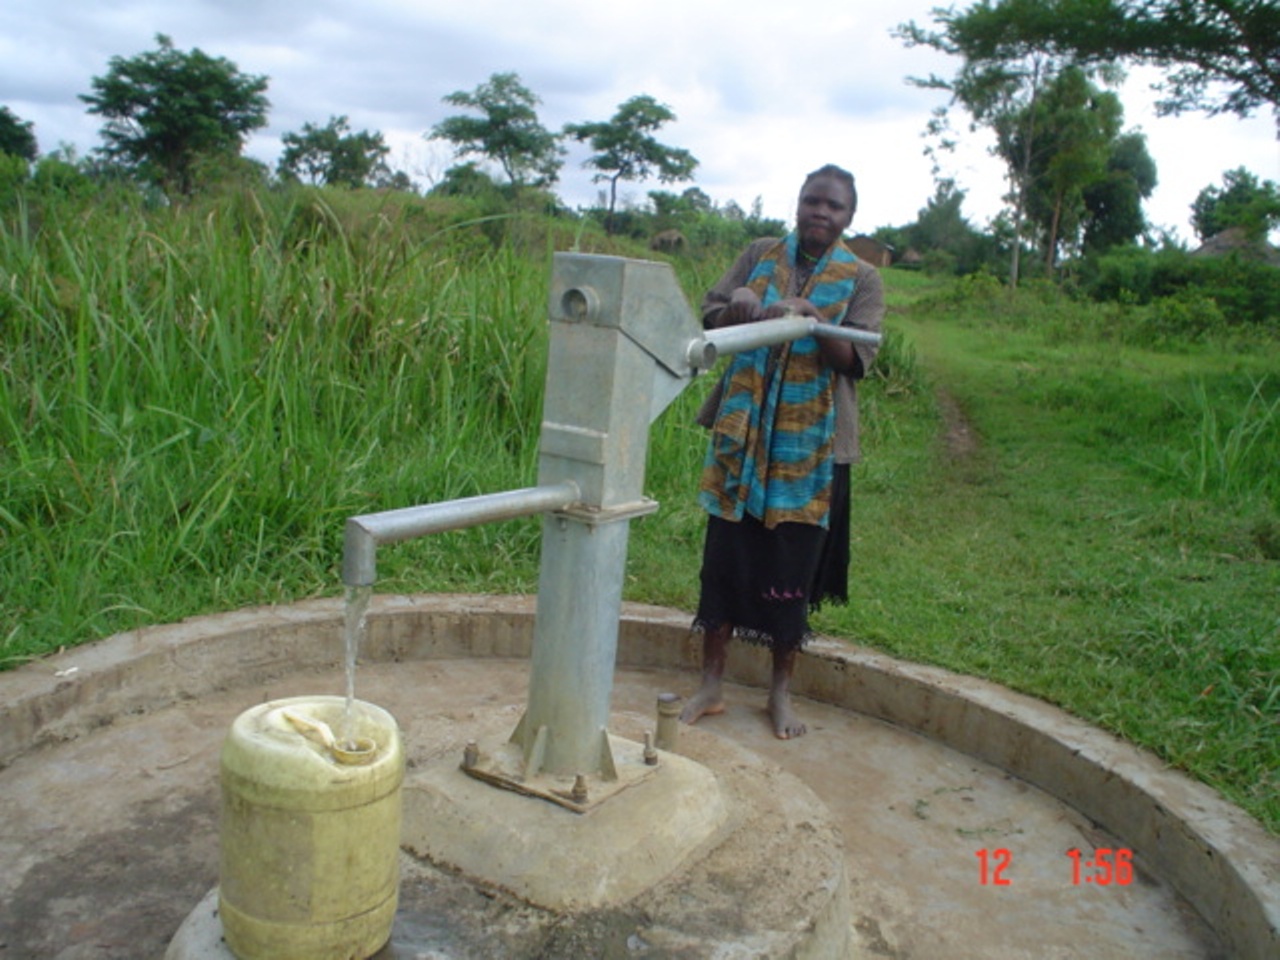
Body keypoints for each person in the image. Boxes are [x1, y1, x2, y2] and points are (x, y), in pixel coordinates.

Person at [680, 163, 884, 739]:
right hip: (742, 438)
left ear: (849, 217)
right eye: (812, 200)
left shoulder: (862, 278)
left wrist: (815, 322)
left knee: (789, 571)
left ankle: (779, 695)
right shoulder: (760, 253)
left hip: (812, 452)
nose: (821, 212)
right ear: (797, 204)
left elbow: (858, 362)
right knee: (724, 562)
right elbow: (711, 318)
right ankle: (712, 686)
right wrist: (739, 304)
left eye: (834, 206)